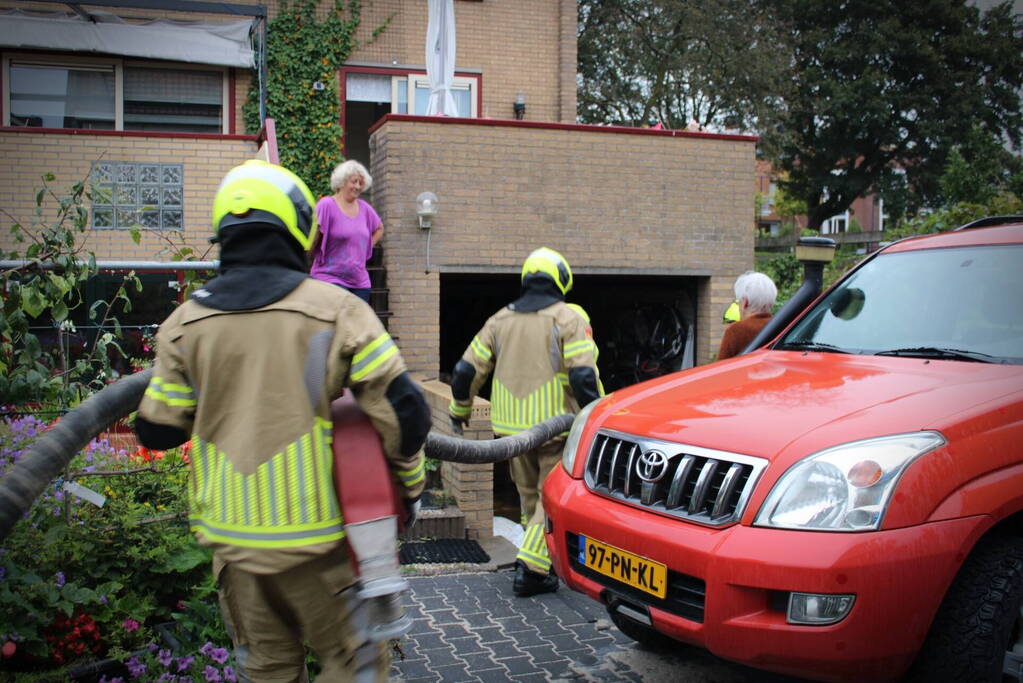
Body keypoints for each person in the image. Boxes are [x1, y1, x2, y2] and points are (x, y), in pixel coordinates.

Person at [134, 159, 430, 681]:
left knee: (267, 669)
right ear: (297, 225)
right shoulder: (338, 309)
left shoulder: (183, 324)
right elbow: (405, 414)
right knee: (354, 666)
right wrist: (409, 490)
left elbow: (157, 429)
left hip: (234, 549)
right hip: (319, 547)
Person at [448, 248, 601, 597]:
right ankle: (531, 569)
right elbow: (582, 377)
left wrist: (460, 411)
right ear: (562, 279)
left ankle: (534, 559)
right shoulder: (567, 317)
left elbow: (465, 371)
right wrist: (593, 418)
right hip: (555, 428)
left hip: (511, 430)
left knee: (529, 496)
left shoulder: (499, 320)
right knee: (550, 498)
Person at [309, 160, 383, 303]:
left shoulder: (365, 208)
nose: (358, 186)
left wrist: (365, 248)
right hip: (329, 277)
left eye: (360, 183)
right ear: (342, 182)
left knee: (358, 318)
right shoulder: (327, 205)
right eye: (354, 182)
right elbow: (314, 234)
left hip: (359, 282)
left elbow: (379, 228)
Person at [717, 270, 778, 360]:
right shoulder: (781, 326)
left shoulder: (735, 331)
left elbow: (721, 366)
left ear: (745, 302)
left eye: (738, 302)